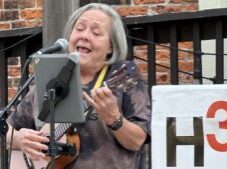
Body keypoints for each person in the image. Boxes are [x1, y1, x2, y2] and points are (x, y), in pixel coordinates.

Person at [7, 3, 151, 169]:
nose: (85, 36)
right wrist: (17, 139)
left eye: (96, 32)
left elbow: (137, 141)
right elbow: (6, 129)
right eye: (80, 28)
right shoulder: (53, 80)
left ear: (111, 46)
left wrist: (114, 120)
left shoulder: (124, 75)